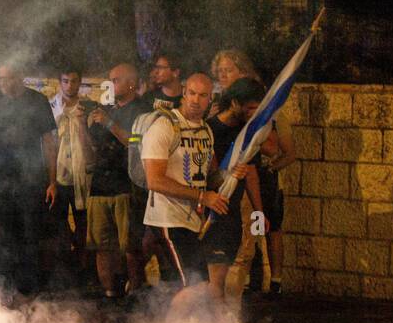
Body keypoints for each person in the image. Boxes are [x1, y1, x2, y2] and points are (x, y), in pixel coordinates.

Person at [0, 63, 57, 302]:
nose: (5, 83)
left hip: (31, 181)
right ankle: (6, 288)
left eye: (9, 78)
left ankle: (28, 290)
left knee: (29, 234)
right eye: (2, 78)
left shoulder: (37, 101)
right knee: (1, 235)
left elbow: (49, 143)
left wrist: (52, 181)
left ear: (20, 77)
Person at [211, 49, 296, 297]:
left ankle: (268, 282)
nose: (223, 75)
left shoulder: (260, 110)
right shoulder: (219, 110)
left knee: (257, 237)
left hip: (254, 181)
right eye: (220, 71)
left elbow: (275, 149)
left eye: (229, 70)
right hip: (221, 189)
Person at [140, 72, 228, 290]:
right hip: (168, 218)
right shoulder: (165, 126)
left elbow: (210, 174)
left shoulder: (206, 130)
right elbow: (154, 180)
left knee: (193, 286)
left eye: (202, 95)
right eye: (192, 93)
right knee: (197, 287)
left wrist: (233, 173)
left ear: (211, 99)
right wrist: (201, 196)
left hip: (192, 219)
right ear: (184, 94)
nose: (196, 100)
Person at [85, 63, 153, 301]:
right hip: (99, 186)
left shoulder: (142, 112)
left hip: (127, 185)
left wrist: (109, 124)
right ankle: (109, 294)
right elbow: (94, 146)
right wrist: (89, 126)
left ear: (132, 83)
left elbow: (136, 142)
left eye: (117, 80)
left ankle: (135, 294)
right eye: (110, 80)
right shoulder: (106, 109)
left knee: (130, 246)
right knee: (101, 245)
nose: (112, 84)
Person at [203, 77, 267, 303]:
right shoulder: (208, 129)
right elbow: (204, 176)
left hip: (232, 214)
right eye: (250, 108)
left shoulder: (247, 133)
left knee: (229, 270)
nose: (253, 113)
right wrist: (225, 175)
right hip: (209, 212)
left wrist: (259, 213)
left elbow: (250, 173)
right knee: (214, 278)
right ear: (235, 103)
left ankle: (221, 319)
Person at [49, 67, 95, 287]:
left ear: (80, 82)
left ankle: (83, 269)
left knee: (83, 223)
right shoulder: (51, 107)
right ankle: (63, 270)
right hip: (57, 175)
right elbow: (46, 142)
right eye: (65, 81)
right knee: (59, 225)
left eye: (74, 81)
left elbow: (94, 143)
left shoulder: (88, 106)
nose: (69, 85)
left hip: (82, 176)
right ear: (60, 82)